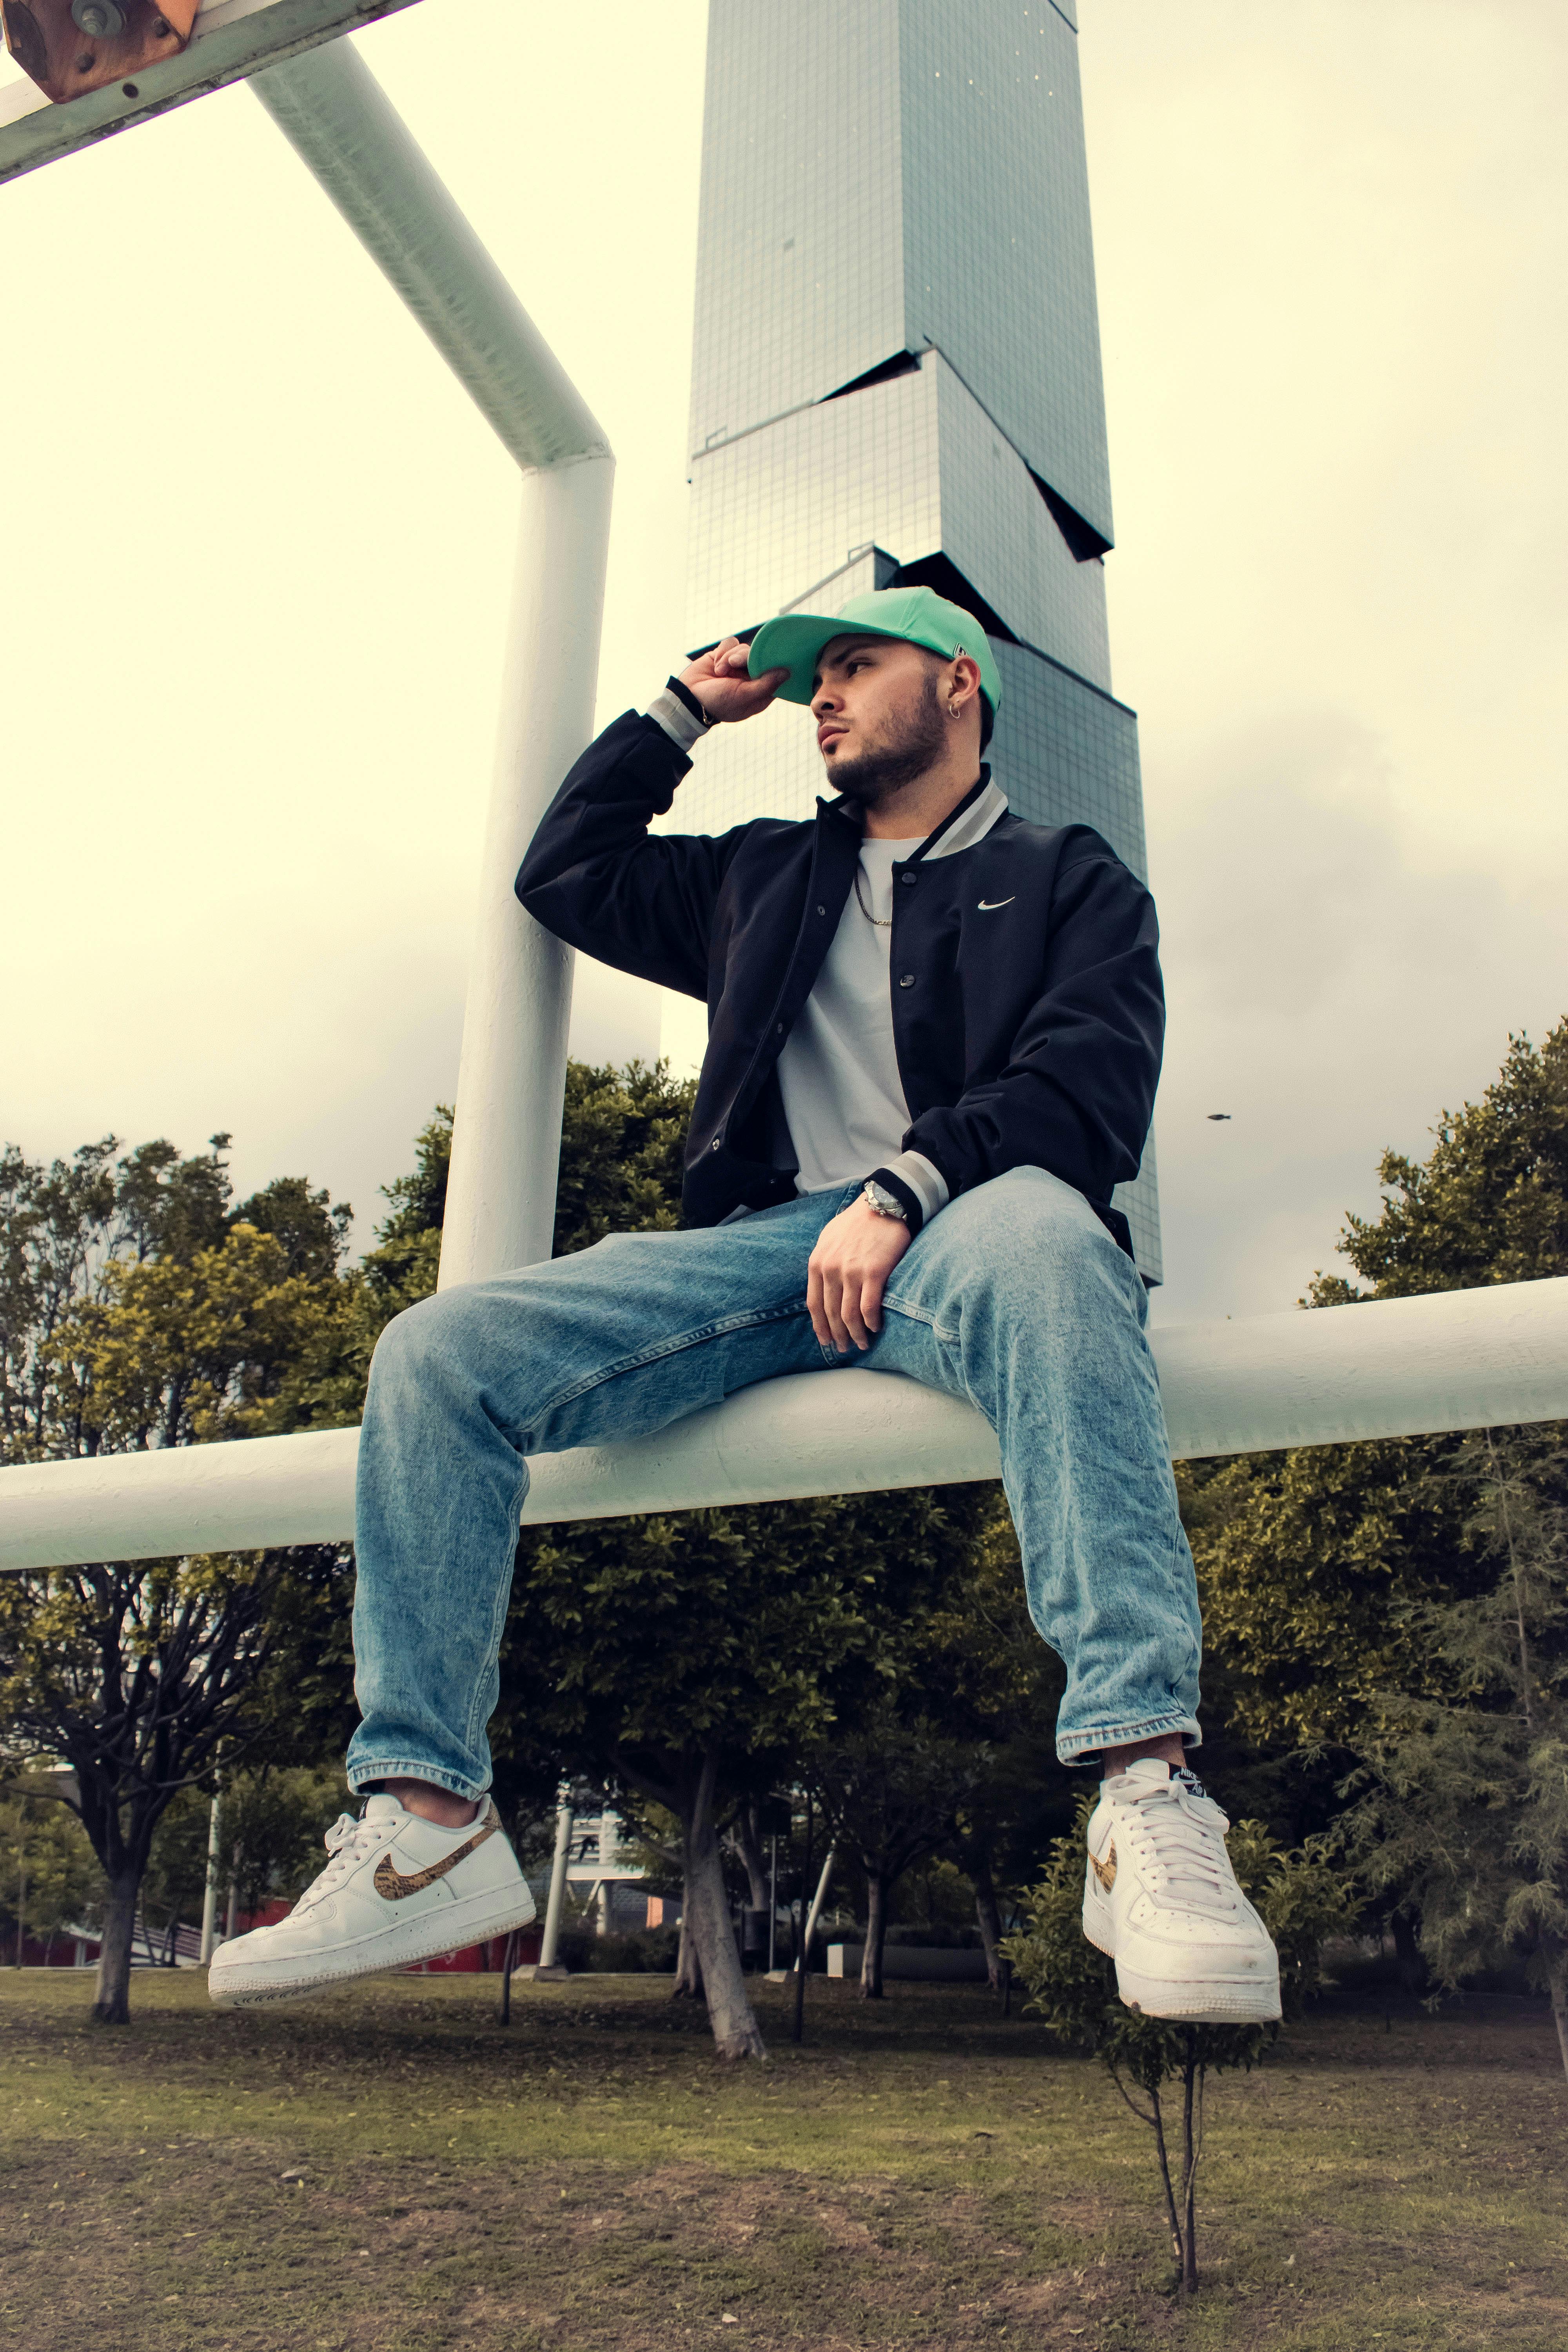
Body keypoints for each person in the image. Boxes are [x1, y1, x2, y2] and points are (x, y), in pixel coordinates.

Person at [209, 586, 1279, 2024]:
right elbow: (568, 874)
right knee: (437, 1355)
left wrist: (902, 1191)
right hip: (766, 1249)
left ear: (959, 684)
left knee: (1052, 1246)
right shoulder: (764, 881)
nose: (822, 697)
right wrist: (679, 710)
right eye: (812, 677)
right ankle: (428, 1822)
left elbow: (1086, 1095)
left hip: (974, 1219)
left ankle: (1144, 1787)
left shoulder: (1069, 874)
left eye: (855, 666)